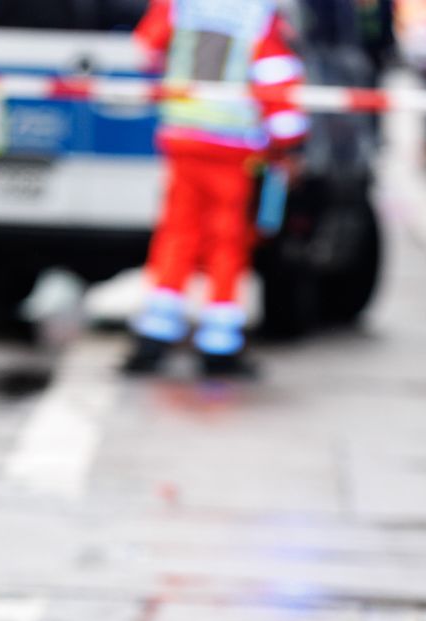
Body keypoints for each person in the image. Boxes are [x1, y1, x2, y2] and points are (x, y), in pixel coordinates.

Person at [123, 0, 310, 379]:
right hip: (232, 146)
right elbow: (275, 79)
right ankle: (219, 343)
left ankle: (155, 336)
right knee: (227, 242)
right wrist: (289, 146)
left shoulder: (179, 4)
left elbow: (146, 49)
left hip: (184, 137)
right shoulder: (258, 12)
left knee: (176, 236)